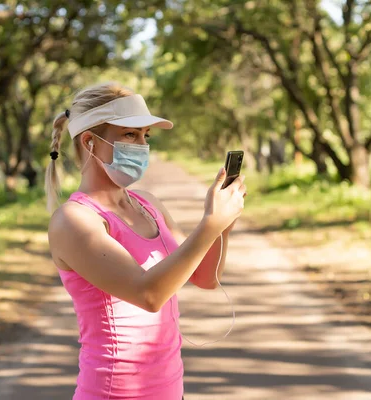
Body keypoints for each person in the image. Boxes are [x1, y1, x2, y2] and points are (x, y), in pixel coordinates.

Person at [46, 82, 246, 400]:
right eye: (129, 135)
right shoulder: (73, 220)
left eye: (145, 136)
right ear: (90, 142)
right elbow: (149, 295)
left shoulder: (148, 204)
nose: (141, 145)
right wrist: (209, 225)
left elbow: (205, 278)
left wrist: (224, 224)